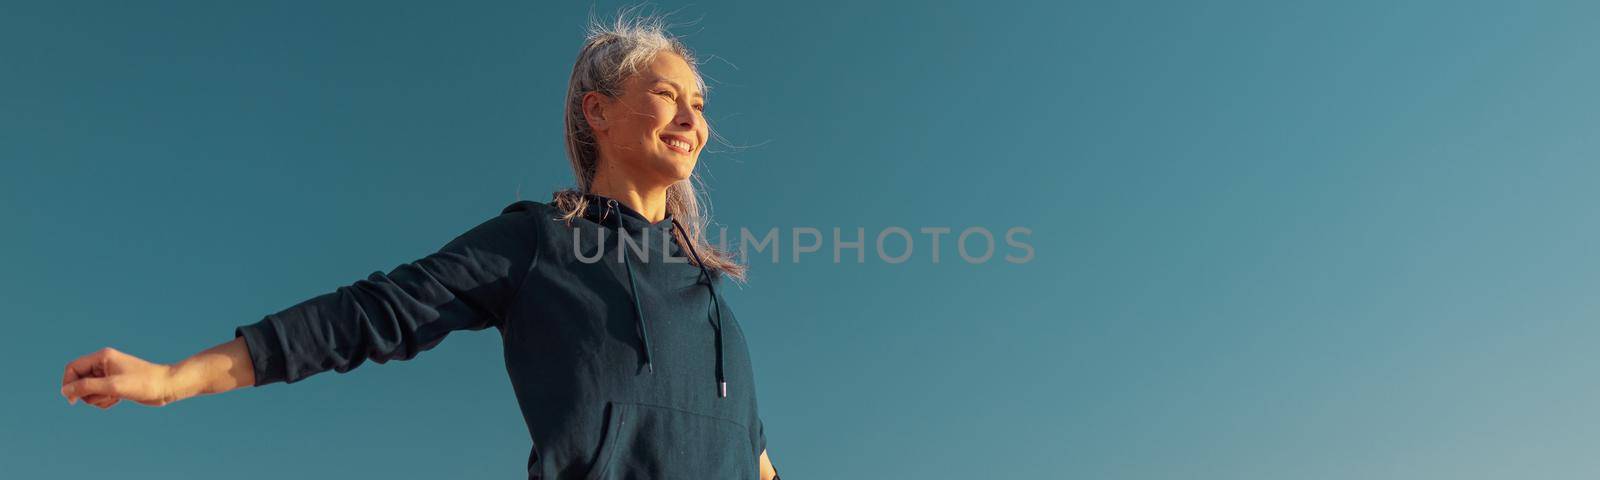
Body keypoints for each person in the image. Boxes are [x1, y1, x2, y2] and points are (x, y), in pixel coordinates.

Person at [57, 11, 779, 480]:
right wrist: (173, 379)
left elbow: (754, 456)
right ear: (600, 112)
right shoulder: (539, 242)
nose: (691, 117)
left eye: (700, 104)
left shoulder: (709, 294)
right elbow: (371, 315)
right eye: (667, 94)